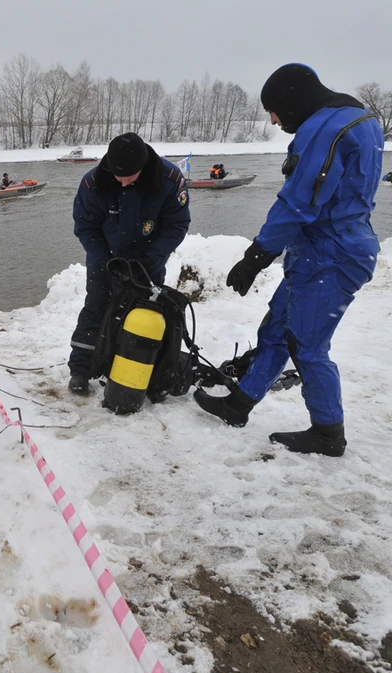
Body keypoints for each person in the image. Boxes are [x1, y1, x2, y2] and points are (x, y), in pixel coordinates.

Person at [194, 64, 384, 457]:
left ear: (293, 102)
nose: (273, 120)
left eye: (274, 110)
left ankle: (327, 433)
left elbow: (299, 201)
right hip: (321, 250)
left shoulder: (325, 129)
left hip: (333, 254)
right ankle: (238, 405)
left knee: (306, 346)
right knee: (277, 328)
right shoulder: (361, 119)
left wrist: (257, 255)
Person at [67, 132, 191, 394]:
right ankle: (80, 369)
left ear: (143, 167)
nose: (122, 182)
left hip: (148, 263)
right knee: (96, 308)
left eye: (129, 176)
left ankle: (138, 365)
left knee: (144, 314)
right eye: (117, 175)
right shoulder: (93, 183)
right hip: (105, 260)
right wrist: (106, 262)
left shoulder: (170, 180)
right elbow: (86, 227)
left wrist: (151, 258)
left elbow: (176, 225)